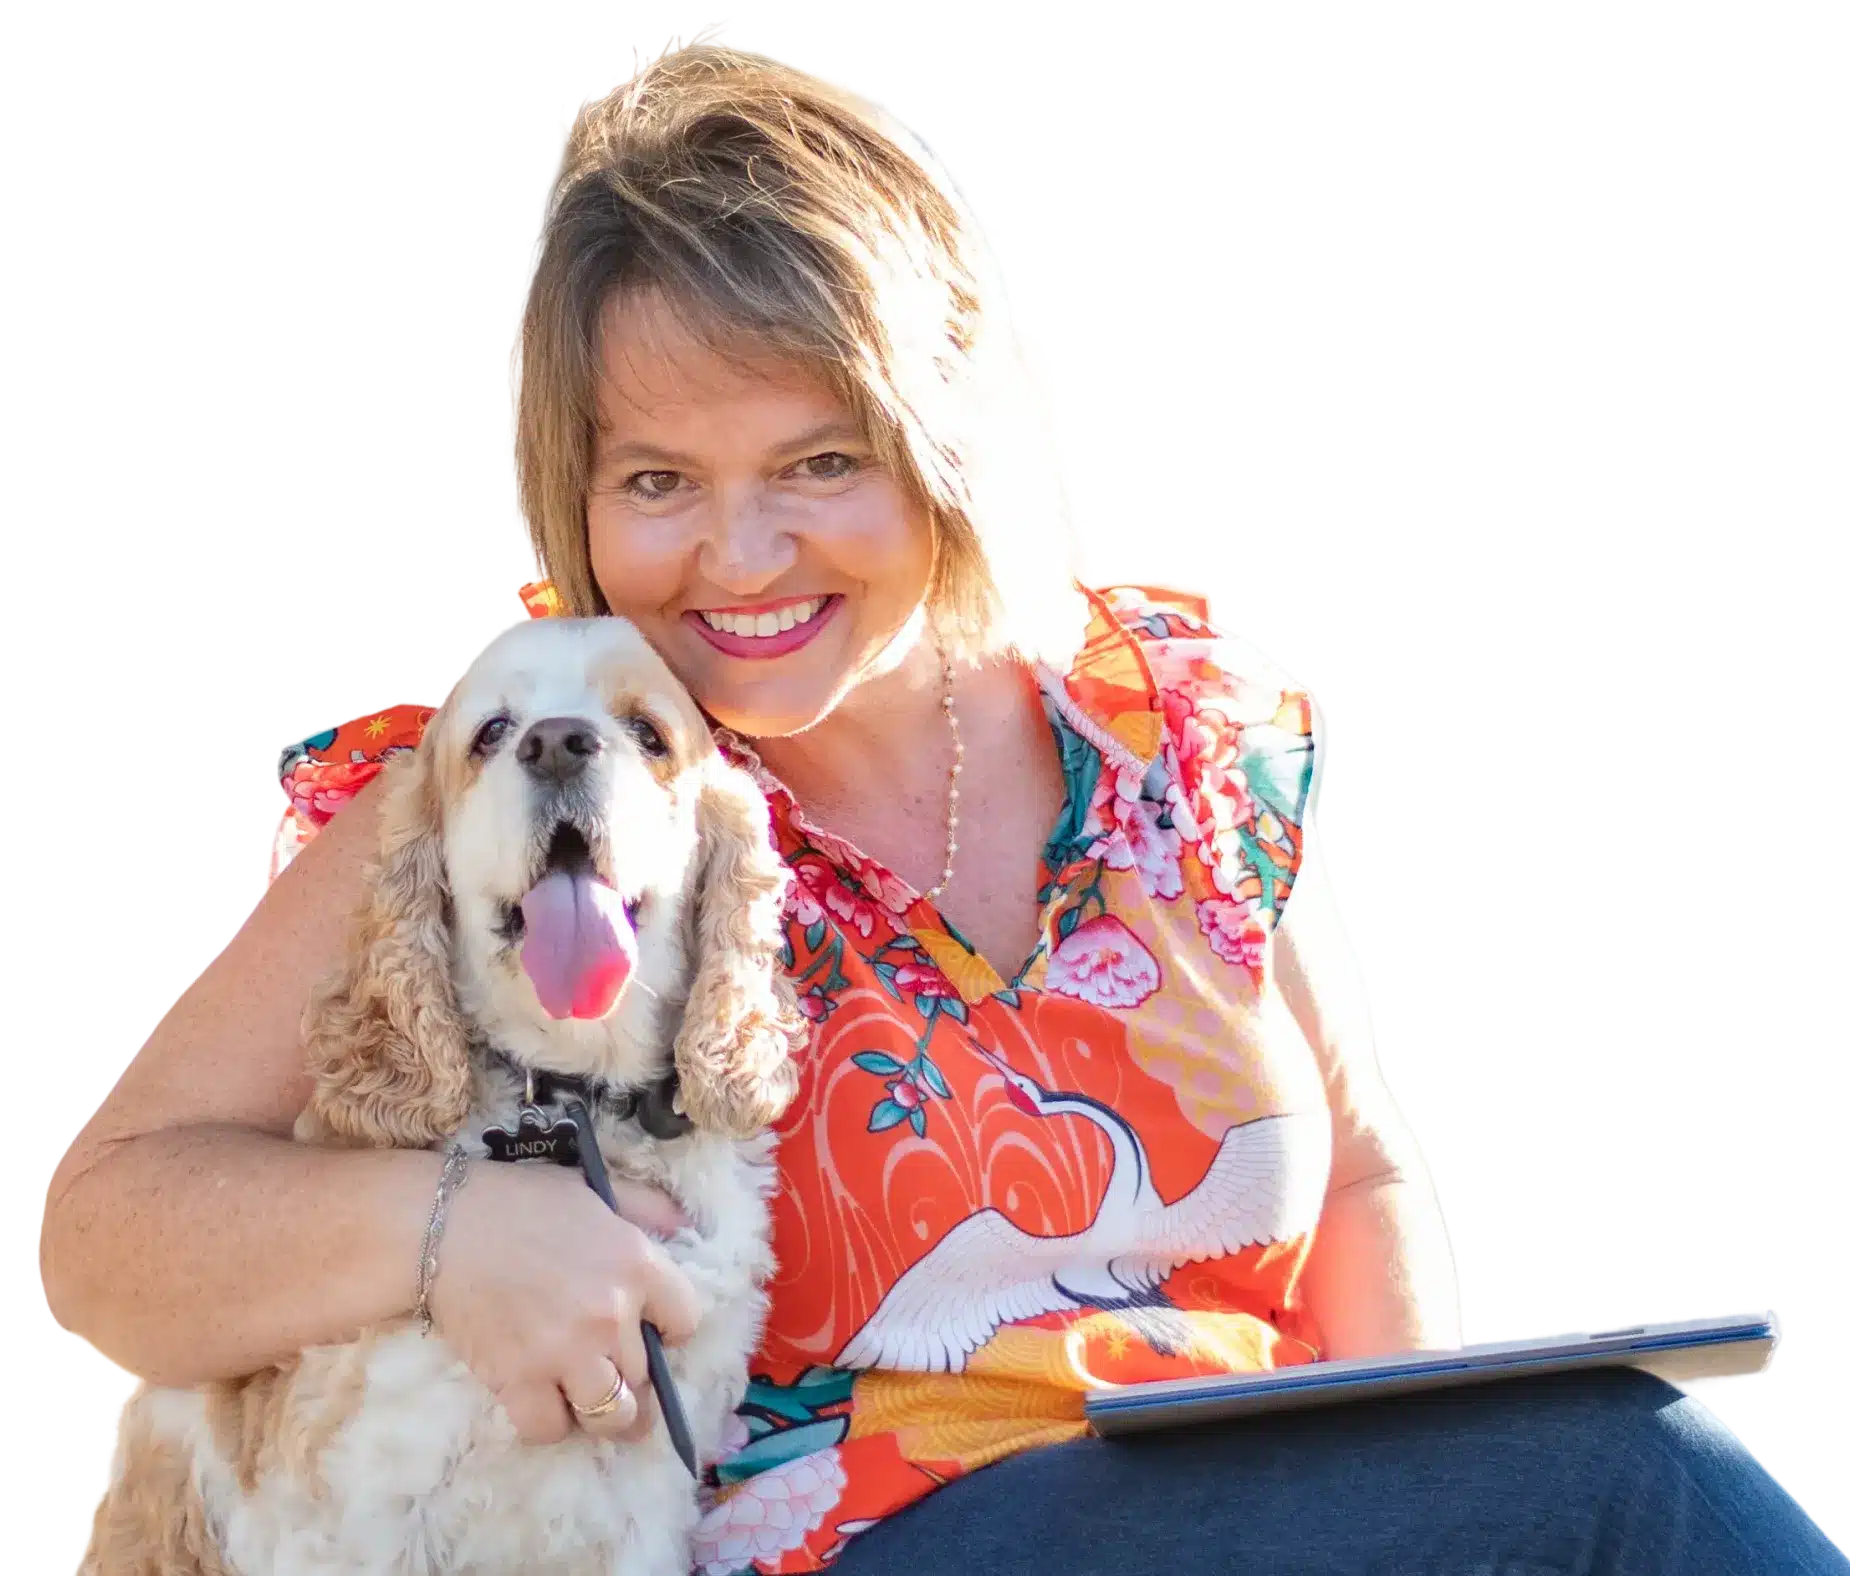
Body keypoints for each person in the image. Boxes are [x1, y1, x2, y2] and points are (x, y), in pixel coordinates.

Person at [40, 25, 1846, 1576]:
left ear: (944, 439)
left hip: (1236, 1508)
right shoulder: (555, 786)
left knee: (1577, 1476)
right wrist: (445, 1234)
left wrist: (1428, 1481)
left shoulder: (1182, 736)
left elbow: (1360, 1169)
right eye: (657, 478)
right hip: (851, 1531)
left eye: (819, 463)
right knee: (1629, 1480)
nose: (737, 559)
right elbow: (107, 1226)